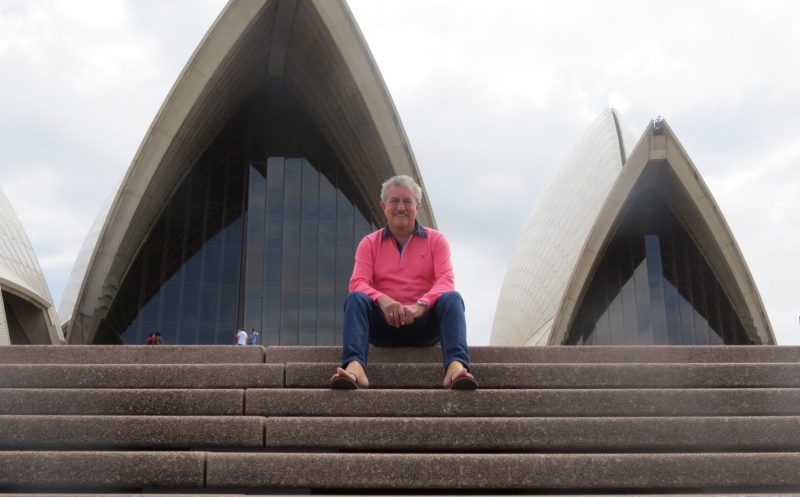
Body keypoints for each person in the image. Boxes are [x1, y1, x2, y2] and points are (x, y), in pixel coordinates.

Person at [330, 175, 477, 390]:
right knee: (355, 299)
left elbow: (446, 280)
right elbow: (358, 282)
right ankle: (355, 367)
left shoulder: (436, 240)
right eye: (394, 201)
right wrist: (382, 300)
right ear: (383, 206)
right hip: (383, 325)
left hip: (423, 324)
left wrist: (421, 305)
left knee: (452, 298)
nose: (401, 207)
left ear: (417, 205)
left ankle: (456, 367)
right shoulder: (369, 243)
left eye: (407, 201)